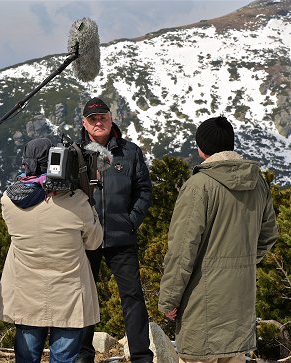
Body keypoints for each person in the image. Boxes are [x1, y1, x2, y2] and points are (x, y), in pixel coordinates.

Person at [158, 116, 279, 363]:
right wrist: (242, 262)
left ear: (201, 149)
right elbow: (268, 235)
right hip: (240, 301)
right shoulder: (257, 182)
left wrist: (169, 300)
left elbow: (182, 250)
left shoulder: (198, 186)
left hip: (203, 302)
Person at [0, 138, 103, 363]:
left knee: (27, 356)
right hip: (68, 293)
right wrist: (87, 194)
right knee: (64, 358)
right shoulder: (77, 202)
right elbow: (94, 242)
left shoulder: (8, 200)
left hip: (26, 292)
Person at [77, 97, 154, 363]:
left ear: (111, 119)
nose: (99, 122)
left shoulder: (129, 152)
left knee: (132, 296)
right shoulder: (75, 153)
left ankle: (141, 356)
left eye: (103, 117)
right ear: (84, 123)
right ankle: (83, 355)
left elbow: (144, 190)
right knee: (84, 298)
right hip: (85, 240)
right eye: (93, 119)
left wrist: (130, 221)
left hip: (122, 237)